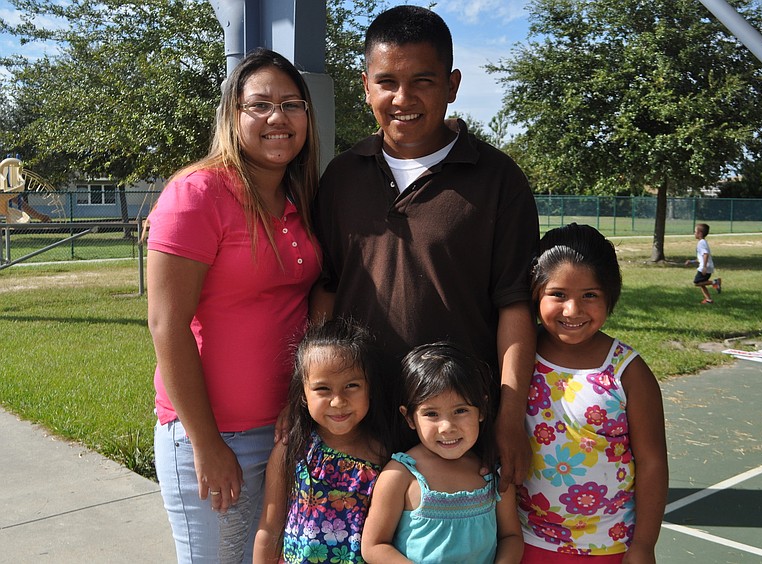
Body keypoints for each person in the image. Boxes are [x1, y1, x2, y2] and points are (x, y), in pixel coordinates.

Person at [312, 4, 539, 486]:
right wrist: (310, 397)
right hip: (357, 425)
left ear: (453, 85)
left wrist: (509, 414)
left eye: (423, 80)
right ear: (365, 84)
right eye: (387, 81)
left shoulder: (500, 181)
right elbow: (326, 290)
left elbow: (515, 307)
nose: (403, 97)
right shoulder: (341, 177)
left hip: (452, 431)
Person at [146, 47, 322, 563]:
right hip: (213, 433)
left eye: (292, 105)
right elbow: (166, 325)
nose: (278, 118)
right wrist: (206, 444)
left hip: (285, 431)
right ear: (232, 114)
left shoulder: (297, 198)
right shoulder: (196, 193)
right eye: (260, 105)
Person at [518, 224, 668, 563]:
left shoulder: (629, 372)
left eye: (590, 295)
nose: (573, 310)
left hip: (609, 546)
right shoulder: (520, 355)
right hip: (523, 539)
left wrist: (643, 546)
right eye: (558, 294)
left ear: (610, 295)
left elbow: (652, 463)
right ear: (535, 293)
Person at [362, 342, 524, 563]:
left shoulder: (492, 471)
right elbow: (374, 546)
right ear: (409, 417)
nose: (447, 426)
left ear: (482, 410)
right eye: (431, 414)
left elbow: (511, 537)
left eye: (460, 410)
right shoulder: (400, 475)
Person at [254, 318, 389, 564]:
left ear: (370, 387)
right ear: (303, 394)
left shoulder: (384, 455)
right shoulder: (291, 450)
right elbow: (270, 529)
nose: (338, 401)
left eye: (351, 386)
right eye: (323, 389)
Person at [684, 223, 721, 304]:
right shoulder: (703, 242)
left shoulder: (701, 243)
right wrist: (691, 261)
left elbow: (705, 254)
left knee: (697, 282)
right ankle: (708, 300)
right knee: (702, 284)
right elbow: (700, 258)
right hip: (707, 266)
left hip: (705, 267)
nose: (694, 233)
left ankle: (715, 282)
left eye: (695, 232)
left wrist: (704, 267)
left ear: (700, 233)